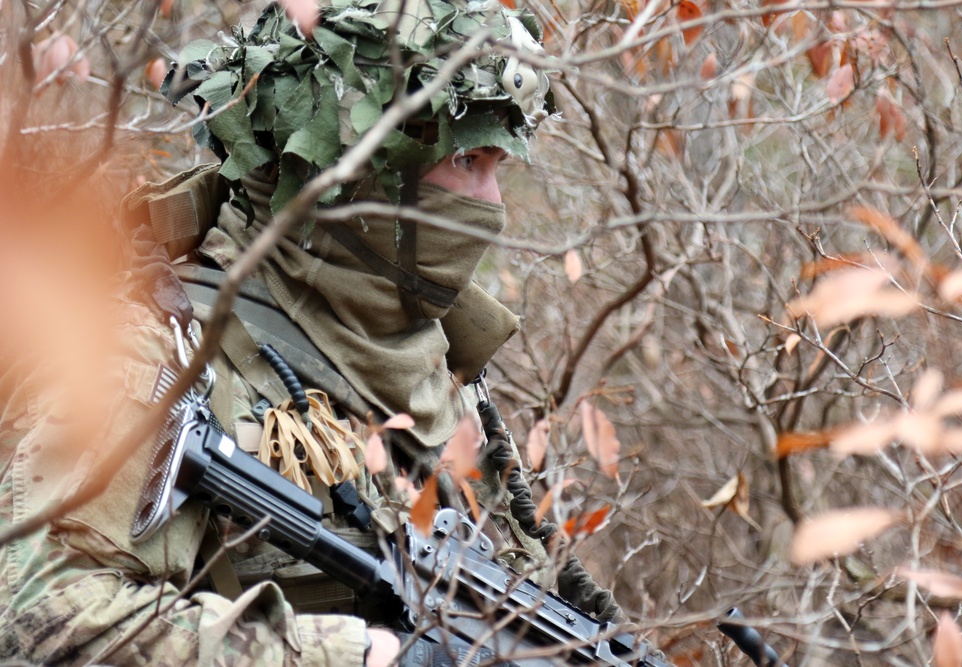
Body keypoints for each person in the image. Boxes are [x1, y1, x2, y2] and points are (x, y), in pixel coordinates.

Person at [0, 0, 572, 665]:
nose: (492, 205)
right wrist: (360, 654)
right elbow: (32, 615)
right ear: (354, 167)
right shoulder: (156, 355)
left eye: (499, 169)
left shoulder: (440, 365)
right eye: (468, 160)